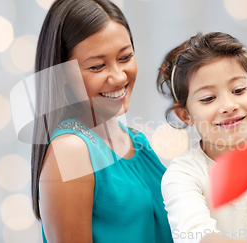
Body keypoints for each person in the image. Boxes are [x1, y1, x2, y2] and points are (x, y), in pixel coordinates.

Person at [31, 0, 174, 242]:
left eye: (126, 57)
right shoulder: (71, 150)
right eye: (97, 66)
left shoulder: (136, 140)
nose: (119, 77)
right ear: (62, 73)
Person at [157, 32, 247, 242]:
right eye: (208, 98)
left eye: (238, 90)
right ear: (185, 115)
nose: (229, 106)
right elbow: (200, 237)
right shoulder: (184, 175)